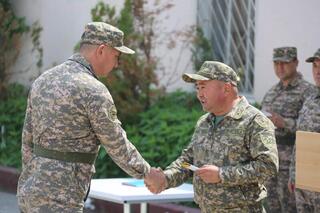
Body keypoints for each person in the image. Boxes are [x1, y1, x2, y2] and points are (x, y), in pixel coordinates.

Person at [17, 22, 160, 212]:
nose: (117, 64)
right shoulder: (93, 90)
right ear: (101, 50)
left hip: (31, 190)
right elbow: (116, 143)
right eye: (116, 56)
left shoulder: (43, 79)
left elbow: (27, 140)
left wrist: (33, 176)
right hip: (62, 198)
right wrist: (148, 174)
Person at [145, 61, 279, 212]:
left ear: (226, 88)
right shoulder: (204, 122)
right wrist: (165, 178)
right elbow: (188, 161)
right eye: (197, 88)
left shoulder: (255, 121)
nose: (199, 94)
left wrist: (222, 175)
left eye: (203, 87)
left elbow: (268, 167)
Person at [261, 47, 316, 213]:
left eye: (284, 63)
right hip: (271, 161)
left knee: (291, 207)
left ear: (296, 63)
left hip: (292, 162)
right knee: (271, 207)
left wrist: (284, 123)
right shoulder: (271, 92)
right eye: (276, 63)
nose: (280, 68)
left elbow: (311, 126)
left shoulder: (308, 91)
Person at [288, 48, 320, 212]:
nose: (318, 71)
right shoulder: (310, 97)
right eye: (315, 66)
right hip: (304, 183)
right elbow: (299, 141)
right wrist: (293, 174)